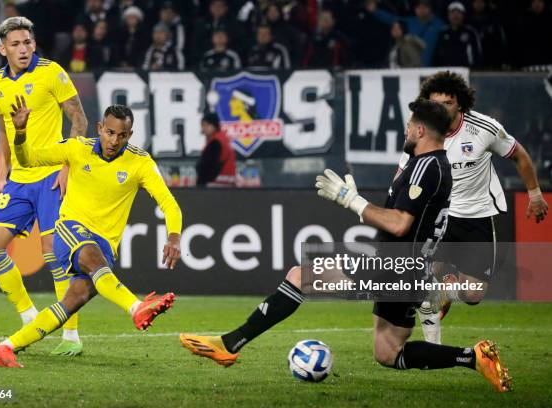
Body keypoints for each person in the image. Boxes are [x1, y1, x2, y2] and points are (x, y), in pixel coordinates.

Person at [180, 99, 512, 392]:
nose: (407, 130)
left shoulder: (427, 167)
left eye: (410, 125)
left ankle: (229, 343)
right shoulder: (428, 164)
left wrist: (351, 201)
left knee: (300, 276)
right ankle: (473, 357)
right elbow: (403, 220)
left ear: (421, 129)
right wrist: (363, 204)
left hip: (396, 269)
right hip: (410, 271)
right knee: (388, 352)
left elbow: (400, 223)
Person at [0, 102, 182, 368]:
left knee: (69, 303)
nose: (114, 140)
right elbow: (29, 159)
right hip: (69, 230)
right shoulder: (77, 148)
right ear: (100, 128)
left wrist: (174, 237)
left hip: (104, 247)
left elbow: (168, 202)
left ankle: (5, 347)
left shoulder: (140, 162)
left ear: (130, 135)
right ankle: (136, 308)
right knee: (90, 256)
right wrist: (20, 134)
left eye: (121, 135)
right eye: (109, 132)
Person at [396, 71, 548, 344]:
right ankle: (433, 343)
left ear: (461, 104)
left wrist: (535, 195)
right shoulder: (421, 132)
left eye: (448, 103)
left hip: (476, 216)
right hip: (438, 216)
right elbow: (402, 174)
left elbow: (519, 155)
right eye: (435, 103)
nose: (441, 109)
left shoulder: (484, 128)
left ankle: (443, 294)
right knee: (427, 276)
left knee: (474, 294)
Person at [0, 17, 88, 357]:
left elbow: (80, 120)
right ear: (3, 49)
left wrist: (68, 167)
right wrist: (1, 176)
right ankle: (29, 316)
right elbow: (4, 134)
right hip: (18, 180)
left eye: (27, 42)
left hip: (50, 176)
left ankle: (70, 335)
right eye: (15, 44)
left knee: (55, 257)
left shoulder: (52, 72)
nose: (24, 48)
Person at [367, 0, 446, 66]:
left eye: (425, 6)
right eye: (418, 7)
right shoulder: (409, 22)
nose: (421, 9)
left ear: (430, 9)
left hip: (431, 69)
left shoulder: (439, 24)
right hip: (411, 69)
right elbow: (391, 19)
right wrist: (375, 11)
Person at [433, 2, 481, 67]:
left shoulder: (470, 32)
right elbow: (436, 54)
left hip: (466, 71)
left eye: (459, 12)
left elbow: (477, 54)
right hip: (446, 71)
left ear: (463, 15)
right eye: (452, 12)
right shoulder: (442, 33)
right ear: (448, 15)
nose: (455, 15)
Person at [196, 113, 236, 187]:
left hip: (216, 185)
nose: (203, 129)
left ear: (213, 126)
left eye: (205, 125)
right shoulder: (224, 139)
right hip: (228, 184)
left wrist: (200, 183)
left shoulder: (215, 142)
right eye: (202, 125)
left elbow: (207, 166)